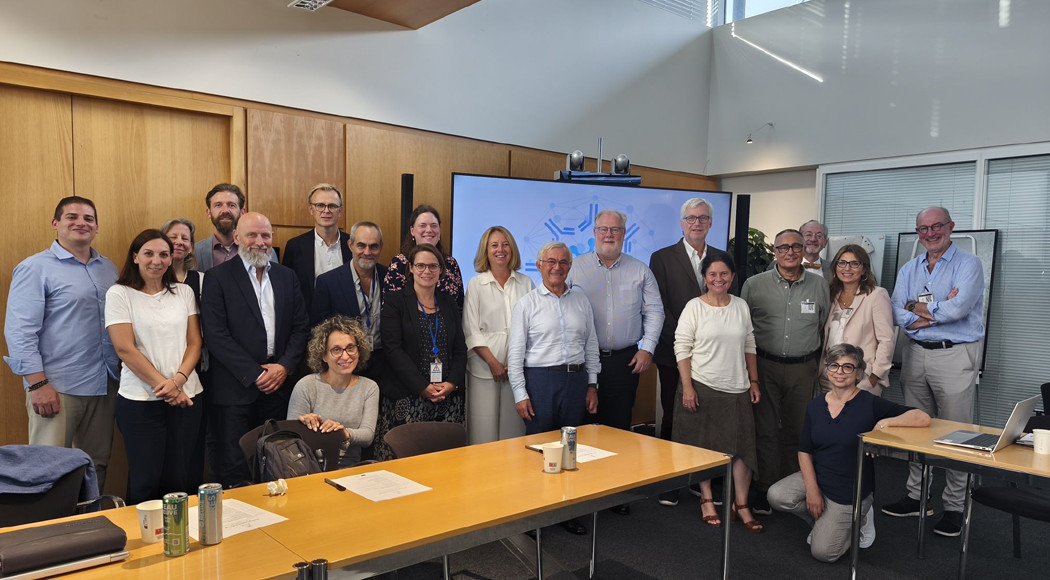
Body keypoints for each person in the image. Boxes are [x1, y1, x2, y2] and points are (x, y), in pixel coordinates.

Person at [768, 343, 930, 562]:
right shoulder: (816, 406)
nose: (839, 372)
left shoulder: (869, 404)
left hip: (851, 488)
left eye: (848, 367)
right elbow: (804, 451)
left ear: (858, 373)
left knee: (824, 553)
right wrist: (812, 490)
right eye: (834, 366)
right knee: (777, 496)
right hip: (821, 477)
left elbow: (922, 417)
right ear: (827, 370)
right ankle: (827, 523)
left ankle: (859, 519)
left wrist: (883, 424)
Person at [881, 206, 985, 538]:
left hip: (953, 355)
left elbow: (959, 309)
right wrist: (926, 311)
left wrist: (920, 307)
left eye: (936, 226)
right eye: (923, 228)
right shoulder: (910, 268)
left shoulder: (969, 264)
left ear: (950, 227)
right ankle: (917, 496)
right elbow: (897, 311)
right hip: (915, 354)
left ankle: (955, 506)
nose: (930, 233)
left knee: (957, 433)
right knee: (916, 428)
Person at [4, 196, 120, 491]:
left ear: (96, 227)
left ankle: (89, 526)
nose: (81, 223)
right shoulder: (34, 268)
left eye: (88, 218)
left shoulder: (108, 269)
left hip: (104, 383)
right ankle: (50, 533)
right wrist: (37, 384)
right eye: (72, 217)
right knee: (48, 469)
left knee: (96, 464)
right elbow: (19, 331)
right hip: (56, 387)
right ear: (56, 224)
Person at [200, 212, 310, 487]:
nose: (260, 242)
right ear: (237, 237)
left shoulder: (287, 277)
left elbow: (300, 328)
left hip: (278, 385)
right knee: (234, 467)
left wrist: (284, 367)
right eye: (252, 235)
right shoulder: (217, 278)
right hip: (234, 389)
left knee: (273, 462)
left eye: (265, 235)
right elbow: (216, 335)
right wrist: (255, 374)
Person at [507, 241, 599, 536]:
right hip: (540, 383)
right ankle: (534, 515)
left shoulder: (581, 300)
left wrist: (592, 384)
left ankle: (565, 510)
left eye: (563, 262)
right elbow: (515, 354)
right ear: (539, 265)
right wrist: (520, 393)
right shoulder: (527, 303)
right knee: (539, 450)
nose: (557, 267)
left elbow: (591, 345)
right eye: (551, 262)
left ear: (569, 267)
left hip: (575, 381)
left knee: (569, 450)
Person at [105, 230, 203, 503]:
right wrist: (169, 389)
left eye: (164, 254)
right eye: (148, 253)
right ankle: (144, 542)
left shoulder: (184, 292)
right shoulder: (119, 293)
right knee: (145, 480)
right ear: (135, 257)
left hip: (189, 397)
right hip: (141, 401)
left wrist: (179, 381)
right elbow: (125, 349)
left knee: (181, 478)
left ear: (172, 259)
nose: (156, 260)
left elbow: (195, 343)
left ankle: (180, 539)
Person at [649, 197, 735, 506]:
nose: (696, 223)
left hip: (716, 355)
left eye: (702, 218)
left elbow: (728, 303)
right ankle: (671, 479)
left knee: (710, 416)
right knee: (676, 415)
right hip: (675, 351)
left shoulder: (722, 257)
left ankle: (704, 479)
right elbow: (659, 306)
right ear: (682, 223)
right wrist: (687, 342)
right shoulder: (661, 257)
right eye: (690, 218)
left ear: (711, 223)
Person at [741, 228, 829, 514]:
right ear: (775, 252)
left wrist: (819, 365)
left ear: (804, 250)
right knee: (765, 428)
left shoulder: (819, 285)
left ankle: (793, 488)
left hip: (803, 368)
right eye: (783, 247)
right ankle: (765, 486)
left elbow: (824, 326)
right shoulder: (754, 285)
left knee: (798, 429)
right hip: (764, 366)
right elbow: (744, 329)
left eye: (795, 246)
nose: (790, 252)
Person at [672, 255, 762, 532]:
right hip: (702, 386)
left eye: (724, 274)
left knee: (743, 450)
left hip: (737, 388)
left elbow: (749, 343)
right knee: (705, 447)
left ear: (733, 276)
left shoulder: (741, 306)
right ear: (704, 277)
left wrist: (754, 381)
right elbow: (681, 347)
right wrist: (687, 387)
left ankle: (741, 503)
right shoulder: (694, 307)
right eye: (712, 274)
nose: (718, 279)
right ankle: (707, 499)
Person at [376, 244, 467, 461]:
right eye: (421, 265)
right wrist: (422, 386)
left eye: (433, 266)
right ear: (411, 268)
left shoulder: (448, 303)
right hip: (407, 397)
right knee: (405, 466)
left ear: (441, 271)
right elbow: (392, 349)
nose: (427, 271)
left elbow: (460, 349)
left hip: (447, 398)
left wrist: (452, 384)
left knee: (444, 465)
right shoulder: (395, 301)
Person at [462, 226, 534, 444]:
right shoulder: (476, 284)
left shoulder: (526, 283)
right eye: (494, 245)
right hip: (483, 368)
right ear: (486, 250)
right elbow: (471, 329)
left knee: (513, 432)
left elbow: (533, 328)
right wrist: (493, 362)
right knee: (482, 430)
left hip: (517, 369)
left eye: (505, 244)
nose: (500, 249)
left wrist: (516, 362)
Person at [287, 316, 379, 468]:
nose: (345, 356)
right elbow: (289, 437)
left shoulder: (369, 387)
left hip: (350, 468)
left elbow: (368, 435)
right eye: (336, 350)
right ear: (323, 355)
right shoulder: (306, 385)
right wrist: (304, 426)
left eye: (350, 348)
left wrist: (344, 433)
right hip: (308, 468)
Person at [312, 221, 388, 387]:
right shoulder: (327, 282)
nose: (367, 252)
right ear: (350, 245)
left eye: (373, 246)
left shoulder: (391, 278)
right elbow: (319, 332)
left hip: (385, 366)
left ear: (381, 247)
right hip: (346, 365)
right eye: (361, 245)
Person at [821, 244, 894, 396]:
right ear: (835, 267)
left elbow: (886, 340)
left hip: (861, 377)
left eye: (854, 263)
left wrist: (875, 375)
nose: (847, 268)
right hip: (830, 375)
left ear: (864, 269)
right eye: (842, 263)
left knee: (858, 419)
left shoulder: (876, 295)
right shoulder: (830, 295)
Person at [281, 183, 352, 311]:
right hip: (310, 324)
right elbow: (287, 291)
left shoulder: (353, 244)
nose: (326, 211)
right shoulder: (295, 247)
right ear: (311, 209)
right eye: (320, 205)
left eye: (332, 206)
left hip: (347, 323)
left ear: (340, 211)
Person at [383, 205, 464, 310]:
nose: (429, 230)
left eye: (434, 225)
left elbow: (460, 306)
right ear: (412, 231)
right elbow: (390, 308)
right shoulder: (399, 264)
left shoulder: (451, 263)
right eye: (422, 225)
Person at [194, 183, 275, 271]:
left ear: (242, 212)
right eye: (218, 205)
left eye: (231, 205)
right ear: (208, 213)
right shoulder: (195, 251)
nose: (225, 210)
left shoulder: (264, 250)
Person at [162, 218, 203, 301]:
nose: (179, 242)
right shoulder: (153, 278)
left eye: (184, 238)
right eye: (173, 237)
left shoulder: (201, 279)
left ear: (191, 247)